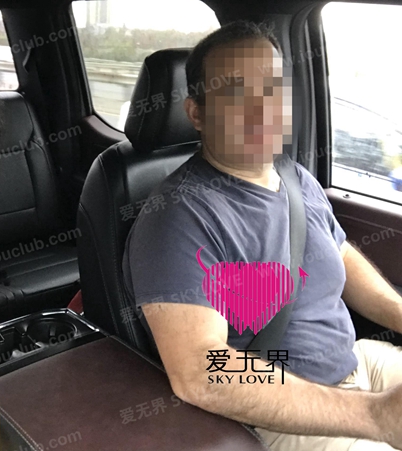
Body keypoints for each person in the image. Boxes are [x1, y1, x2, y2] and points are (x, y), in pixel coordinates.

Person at [122, 20, 402, 451]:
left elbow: (340, 253)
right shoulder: (177, 216)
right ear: (197, 113)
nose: (262, 108)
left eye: (272, 88)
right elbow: (200, 370)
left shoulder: (295, 177)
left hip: (357, 363)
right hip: (285, 411)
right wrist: (374, 416)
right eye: (236, 93)